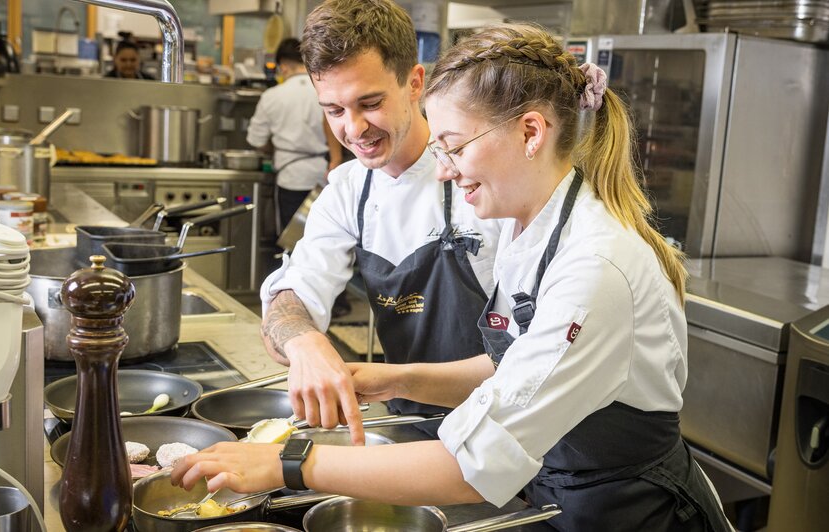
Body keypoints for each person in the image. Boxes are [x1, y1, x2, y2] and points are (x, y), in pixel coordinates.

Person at [172, 23, 734, 532]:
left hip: (629, 509)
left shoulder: (594, 269)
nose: (441, 169)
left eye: (454, 146)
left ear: (531, 133)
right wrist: (394, 380)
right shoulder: (529, 228)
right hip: (556, 485)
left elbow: (472, 467)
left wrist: (286, 465)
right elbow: (512, 367)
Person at [257, 0, 502, 444]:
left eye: (369, 103)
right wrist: (305, 344)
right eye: (333, 110)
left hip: (508, 427)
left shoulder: (482, 178)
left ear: (414, 82)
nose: (353, 129)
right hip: (409, 427)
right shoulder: (348, 190)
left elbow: (540, 354)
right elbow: (288, 303)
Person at [247, 37, 344, 233]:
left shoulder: (272, 96)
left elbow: (256, 140)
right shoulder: (324, 91)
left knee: (291, 242)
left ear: (283, 66)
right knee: (323, 238)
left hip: (290, 178)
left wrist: (273, 146)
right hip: (323, 176)